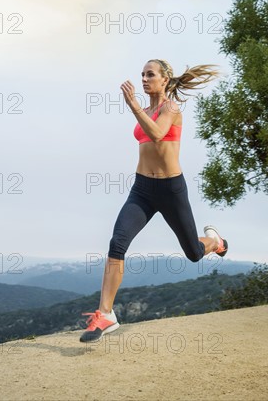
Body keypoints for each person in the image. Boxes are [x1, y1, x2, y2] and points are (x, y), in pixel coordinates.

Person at [80, 59, 228, 343]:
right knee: (117, 242)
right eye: (142, 75)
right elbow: (147, 133)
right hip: (143, 189)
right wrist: (138, 108)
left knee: (194, 253)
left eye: (150, 75)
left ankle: (216, 242)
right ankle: (106, 314)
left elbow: (158, 133)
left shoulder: (171, 108)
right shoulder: (145, 110)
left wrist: (133, 106)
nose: (145, 79)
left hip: (171, 190)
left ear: (164, 80)